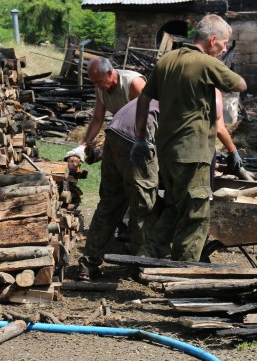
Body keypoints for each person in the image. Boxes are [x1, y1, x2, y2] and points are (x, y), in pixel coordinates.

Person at [132, 14, 246, 262]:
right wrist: (219, 67)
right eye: (224, 43)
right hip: (192, 153)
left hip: (167, 151)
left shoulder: (166, 61)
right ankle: (184, 273)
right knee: (195, 215)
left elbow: (144, 97)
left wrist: (140, 136)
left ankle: (147, 254)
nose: (225, 48)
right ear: (212, 40)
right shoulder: (206, 63)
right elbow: (240, 85)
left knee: (174, 208)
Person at [78, 97, 160, 280]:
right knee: (144, 208)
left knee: (109, 204)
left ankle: (88, 263)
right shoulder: (175, 99)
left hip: (113, 135)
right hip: (136, 140)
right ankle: (139, 266)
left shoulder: (150, 94)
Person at [82, 57, 145, 153]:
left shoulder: (133, 83)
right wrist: (84, 145)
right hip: (123, 133)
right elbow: (97, 119)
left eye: (99, 81)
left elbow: (147, 115)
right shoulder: (100, 89)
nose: (96, 86)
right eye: (94, 83)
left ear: (110, 73)